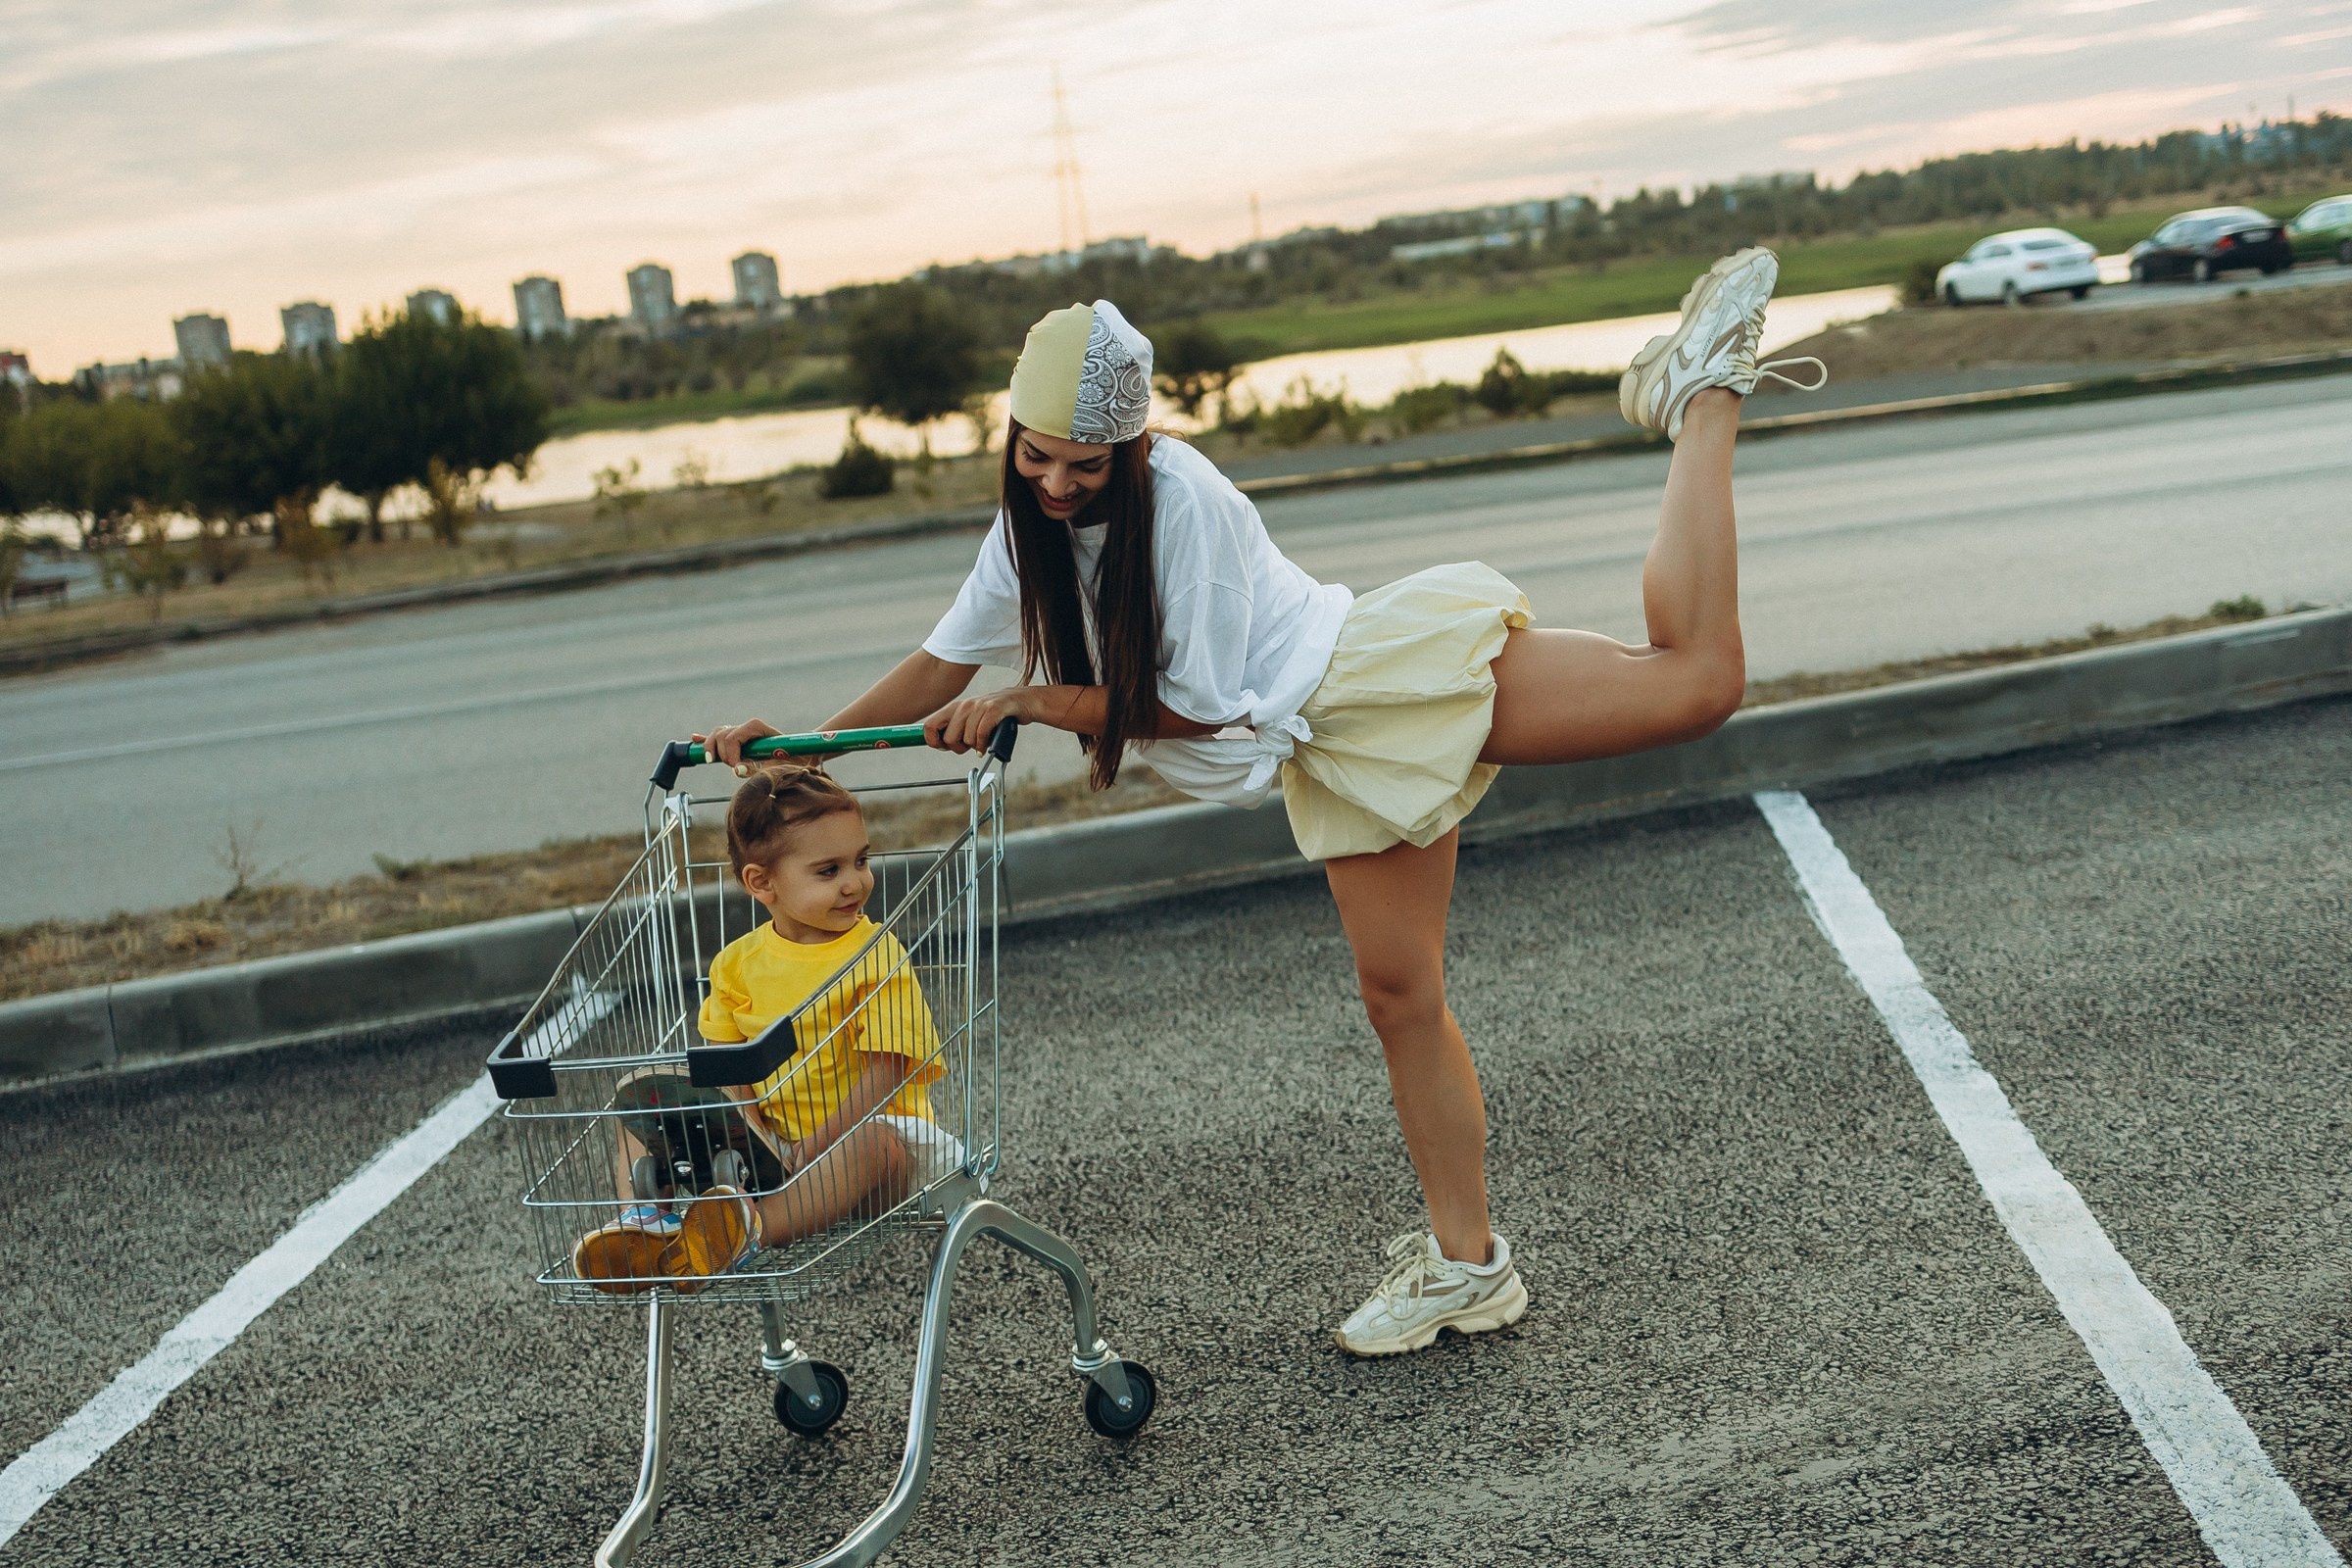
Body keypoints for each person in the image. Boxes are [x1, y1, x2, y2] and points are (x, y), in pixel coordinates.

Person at [702, 250, 1825, 1352]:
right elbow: (940, 663)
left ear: (1133, 446)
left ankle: (1705, 390)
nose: (1057, 486)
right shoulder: (1027, 526)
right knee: (1403, 998)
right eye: (1038, 459)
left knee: (1695, 683)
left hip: (1370, 683)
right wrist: (794, 753)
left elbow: (1205, 709)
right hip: (1333, 732)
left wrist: (1040, 701)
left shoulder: (1182, 500)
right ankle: (1469, 1265)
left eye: (1087, 468)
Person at [572, 763, 963, 1293]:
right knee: (644, 1104)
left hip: (877, 1148)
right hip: (774, 1151)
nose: (855, 882)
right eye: (828, 871)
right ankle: (649, 1225)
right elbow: (725, 1063)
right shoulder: (737, 964)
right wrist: (746, 1126)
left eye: (862, 861)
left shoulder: (875, 955)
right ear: (762, 883)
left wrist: (820, 1143)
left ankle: (745, 1233)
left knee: (872, 1145)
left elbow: (888, 1071)